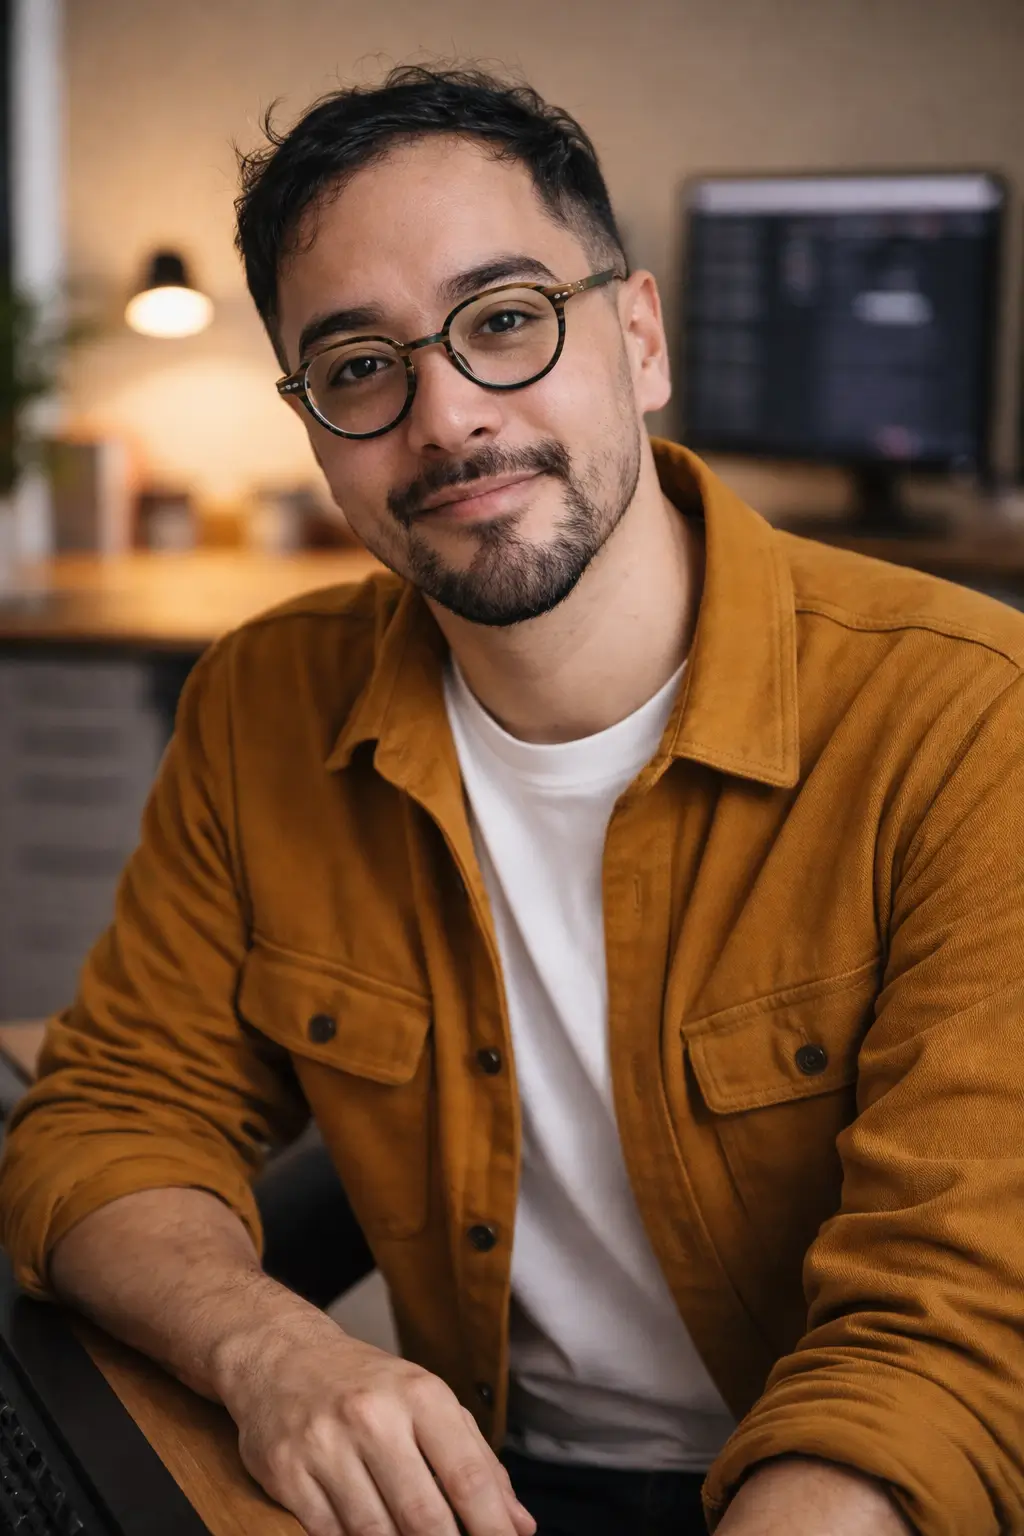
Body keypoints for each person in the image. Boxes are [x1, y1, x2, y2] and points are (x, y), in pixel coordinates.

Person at [1, 65, 1022, 1536]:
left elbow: (956, 1330)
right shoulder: (261, 705)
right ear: (310, 424)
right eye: (359, 365)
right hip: (483, 1485)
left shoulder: (970, 716)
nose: (447, 418)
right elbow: (111, 1117)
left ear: (642, 336)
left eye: (503, 321)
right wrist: (273, 1347)